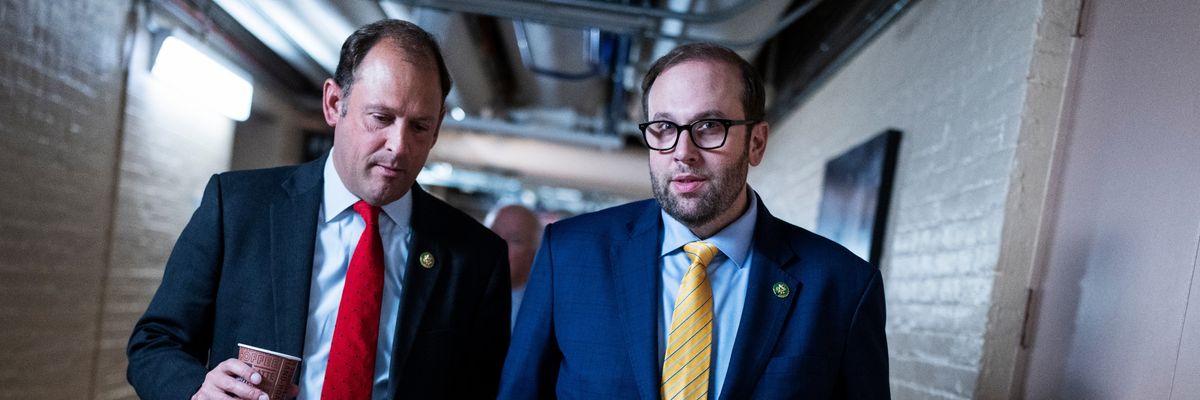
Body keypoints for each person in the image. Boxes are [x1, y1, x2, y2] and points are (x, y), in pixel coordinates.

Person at [127, 20, 510, 400]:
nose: (399, 146)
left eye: (419, 126)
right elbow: (156, 342)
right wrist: (196, 392)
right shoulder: (239, 207)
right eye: (381, 118)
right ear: (334, 103)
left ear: (439, 126)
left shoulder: (475, 258)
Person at [499, 42, 889, 399]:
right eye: (664, 127)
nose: (683, 152)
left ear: (756, 143)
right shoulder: (568, 254)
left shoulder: (843, 287)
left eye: (709, 126)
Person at [484, 204, 543, 327]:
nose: (498, 247)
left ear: (536, 252)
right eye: (492, 235)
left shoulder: (542, 312)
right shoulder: (457, 293)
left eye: (515, 240)